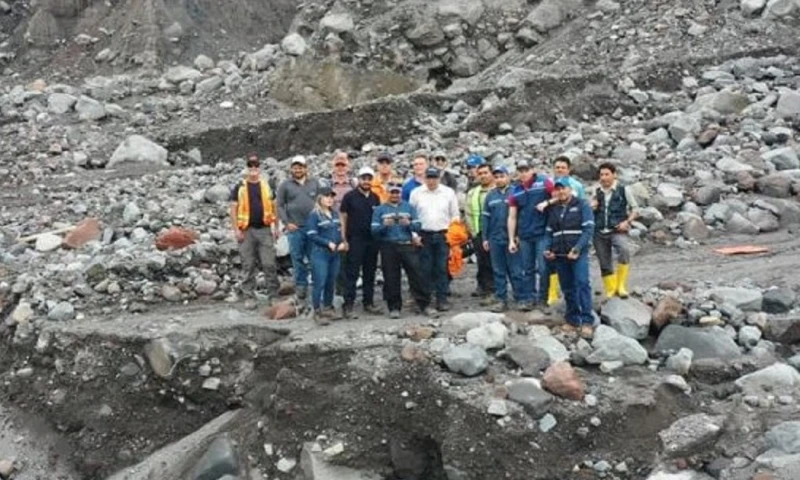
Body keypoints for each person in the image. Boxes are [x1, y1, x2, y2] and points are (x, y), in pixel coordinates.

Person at [371, 183, 438, 319]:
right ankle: (394, 307)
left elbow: (418, 225)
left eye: (397, 193)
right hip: (388, 245)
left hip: (407, 244)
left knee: (416, 275)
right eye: (392, 192)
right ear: (388, 193)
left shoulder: (409, 207)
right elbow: (374, 230)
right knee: (391, 277)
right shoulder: (380, 210)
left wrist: (409, 224)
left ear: (400, 193)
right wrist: (384, 225)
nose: (395, 195)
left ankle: (424, 304)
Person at [544, 179, 595, 338]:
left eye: (563, 188)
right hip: (560, 254)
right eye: (557, 189)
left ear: (570, 189)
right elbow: (549, 232)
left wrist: (578, 248)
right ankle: (572, 319)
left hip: (577, 253)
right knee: (567, 287)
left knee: (582, 283)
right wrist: (548, 249)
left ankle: (587, 321)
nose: (561, 192)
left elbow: (588, 229)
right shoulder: (553, 209)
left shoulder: (582, 205)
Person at [536, 155, 588, 306]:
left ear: (569, 169)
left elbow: (577, 201)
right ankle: (552, 293)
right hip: (551, 226)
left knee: (574, 266)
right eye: (557, 167)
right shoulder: (548, 183)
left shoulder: (575, 185)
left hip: (570, 227)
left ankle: (579, 303)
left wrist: (548, 201)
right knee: (549, 261)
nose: (560, 170)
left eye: (563, 167)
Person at [410, 167, 460, 311]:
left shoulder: (448, 193)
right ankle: (426, 299)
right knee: (424, 268)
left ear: (439, 178)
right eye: (429, 177)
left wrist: (452, 235)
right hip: (423, 235)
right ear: (425, 178)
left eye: (434, 178)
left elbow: (455, 215)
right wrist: (414, 235)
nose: (431, 181)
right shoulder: (416, 193)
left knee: (442, 268)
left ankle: (442, 299)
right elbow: (411, 215)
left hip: (443, 234)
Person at [229, 154, 281, 295]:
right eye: (250, 165)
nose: (253, 168)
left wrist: (277, 227)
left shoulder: (268, 185)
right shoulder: (239, 187)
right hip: (246, 231)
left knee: (269, 263)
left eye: (256, 165)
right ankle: (248, 294)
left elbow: (275, 207)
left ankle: (273, 293)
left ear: (260, 168)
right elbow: (233, 209)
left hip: (265, 230)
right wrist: (236, 230)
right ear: (246, 168)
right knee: (248, 264)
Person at [507, 160, 554, 310]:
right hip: (525, 235)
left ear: (532, 170)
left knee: (543, 267)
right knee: (527, 268)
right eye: (520, 170)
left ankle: (543, 298)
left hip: (542, 233)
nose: (523, 173)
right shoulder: (516, 190)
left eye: (526, 170)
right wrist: (511, 240)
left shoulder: (543, 183)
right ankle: (528, 298)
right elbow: (512, 216)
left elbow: (559, 196)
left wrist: (547, 202)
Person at [592, 162, 640, 299]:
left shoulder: (624, 190)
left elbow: (635, 209)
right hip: (599, 230)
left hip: (617, 229)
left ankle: (621, 286)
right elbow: (591, 207)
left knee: (624, 250)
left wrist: (627, 222)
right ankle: (611, 289)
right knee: (604, 261)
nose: (604, 177)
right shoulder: (596, 190)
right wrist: (592, 206)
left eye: (607, 174)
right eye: (601, 175)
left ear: (614, 175)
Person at [276, 155, 321, 300]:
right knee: (297, 258)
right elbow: (279, 205)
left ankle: (317, 284)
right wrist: (287, 222)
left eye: (300, 167)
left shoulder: (314, 183)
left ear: (305, 168)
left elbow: (321, 202)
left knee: (315, 257)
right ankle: (301, 285)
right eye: (295, 167)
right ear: (291, 169)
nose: (298, 169)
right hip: (295, 228)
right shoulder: (285, 185)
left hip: (313, 227)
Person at [340, 167, 382, 318]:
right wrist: (344, 238)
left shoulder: (375, 198)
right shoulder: (349, 197)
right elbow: (343, 217)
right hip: (355, 239)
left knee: (370, 272)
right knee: (352, 273)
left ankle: (368, 302)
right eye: (363, 178)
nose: (366, 181)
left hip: (372, 240)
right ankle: (348, 305)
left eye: (369, 178)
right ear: (358, 179)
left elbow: (378, 218)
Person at [306, 186, 348, 325]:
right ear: (320, 198)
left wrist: (342, 242)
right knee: (320, 281)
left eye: (331, 196)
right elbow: (311, 234)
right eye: (326, 196)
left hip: (335, 253)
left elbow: (339, 231)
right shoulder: (314, 215)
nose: (330, 199)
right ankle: (317, 310)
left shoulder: (335, 214)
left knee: (331, 280)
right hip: (320, 253)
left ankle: (328, 307)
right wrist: (326, 243)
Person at [481, 166, 518, 312]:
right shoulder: (490, 196)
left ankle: (521, 298)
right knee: (498, 270)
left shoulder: (515, 192)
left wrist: (518, 236)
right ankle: (501, 299)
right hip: (495, 238)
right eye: (496, 177)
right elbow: (485, 218)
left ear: (508, 177)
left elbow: (521, 216)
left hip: (512, 238)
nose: (499, 179)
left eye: (502, 176)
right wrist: (485, 238)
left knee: (516, 269)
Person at [465, 160, 494, 299]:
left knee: (497, 263)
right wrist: (473, 232)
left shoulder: (498, 190)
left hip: (497, 232)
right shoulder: (473, 193)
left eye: (486, 173)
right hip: (479, 232)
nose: (483, 176)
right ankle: (485, 287)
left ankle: (497, 289)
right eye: (480, 173)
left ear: (492, 174)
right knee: (482, 262)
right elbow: (468, 213)